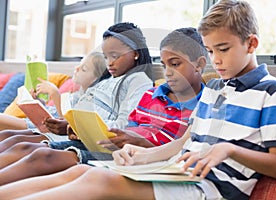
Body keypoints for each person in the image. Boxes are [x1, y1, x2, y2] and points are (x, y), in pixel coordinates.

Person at [0, 1, 276, 199]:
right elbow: (184, 142)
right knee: (80, 170)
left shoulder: (271, 90)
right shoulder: (215, 87)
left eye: (224, 49)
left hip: (212, 188)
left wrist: (228, 150)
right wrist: (141, 156)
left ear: (252, 43)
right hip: (178, 171)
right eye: (211, 50)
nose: (217, 60)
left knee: (100, 181)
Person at [0, 27, 208, 185]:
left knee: (41, 153)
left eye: (175, 64)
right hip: (112, 147)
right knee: (22, 143)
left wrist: (137, 142)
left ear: (199, 64)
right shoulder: (150, 95)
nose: (168, 72)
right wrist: (79, 127)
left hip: (129, 156)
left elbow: (181, 145)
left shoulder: (204, 104)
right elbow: (129, 127)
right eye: (164, 65)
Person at [0, 22, 153, 167]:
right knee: (10, 137)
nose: (109, 63)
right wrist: (64, 122)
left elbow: (123, 127)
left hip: (93, 143)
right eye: (106, 57)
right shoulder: (108, 81)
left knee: (24, 147)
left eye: (115, 55)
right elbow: (75, 110)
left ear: (135, 53)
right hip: (74, 133)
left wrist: (78, 127)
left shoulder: (138, 80)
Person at [0, 51, 106, 152]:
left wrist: (55, 94)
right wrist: (39, 103)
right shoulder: (75, 95)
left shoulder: (92, 101)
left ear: (96, 79)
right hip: (37, 125)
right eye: (79, 64)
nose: (76, 68)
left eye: (83, 69)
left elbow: (67, 124)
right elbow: (51, 113)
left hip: (48, 131)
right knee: (6, 134)